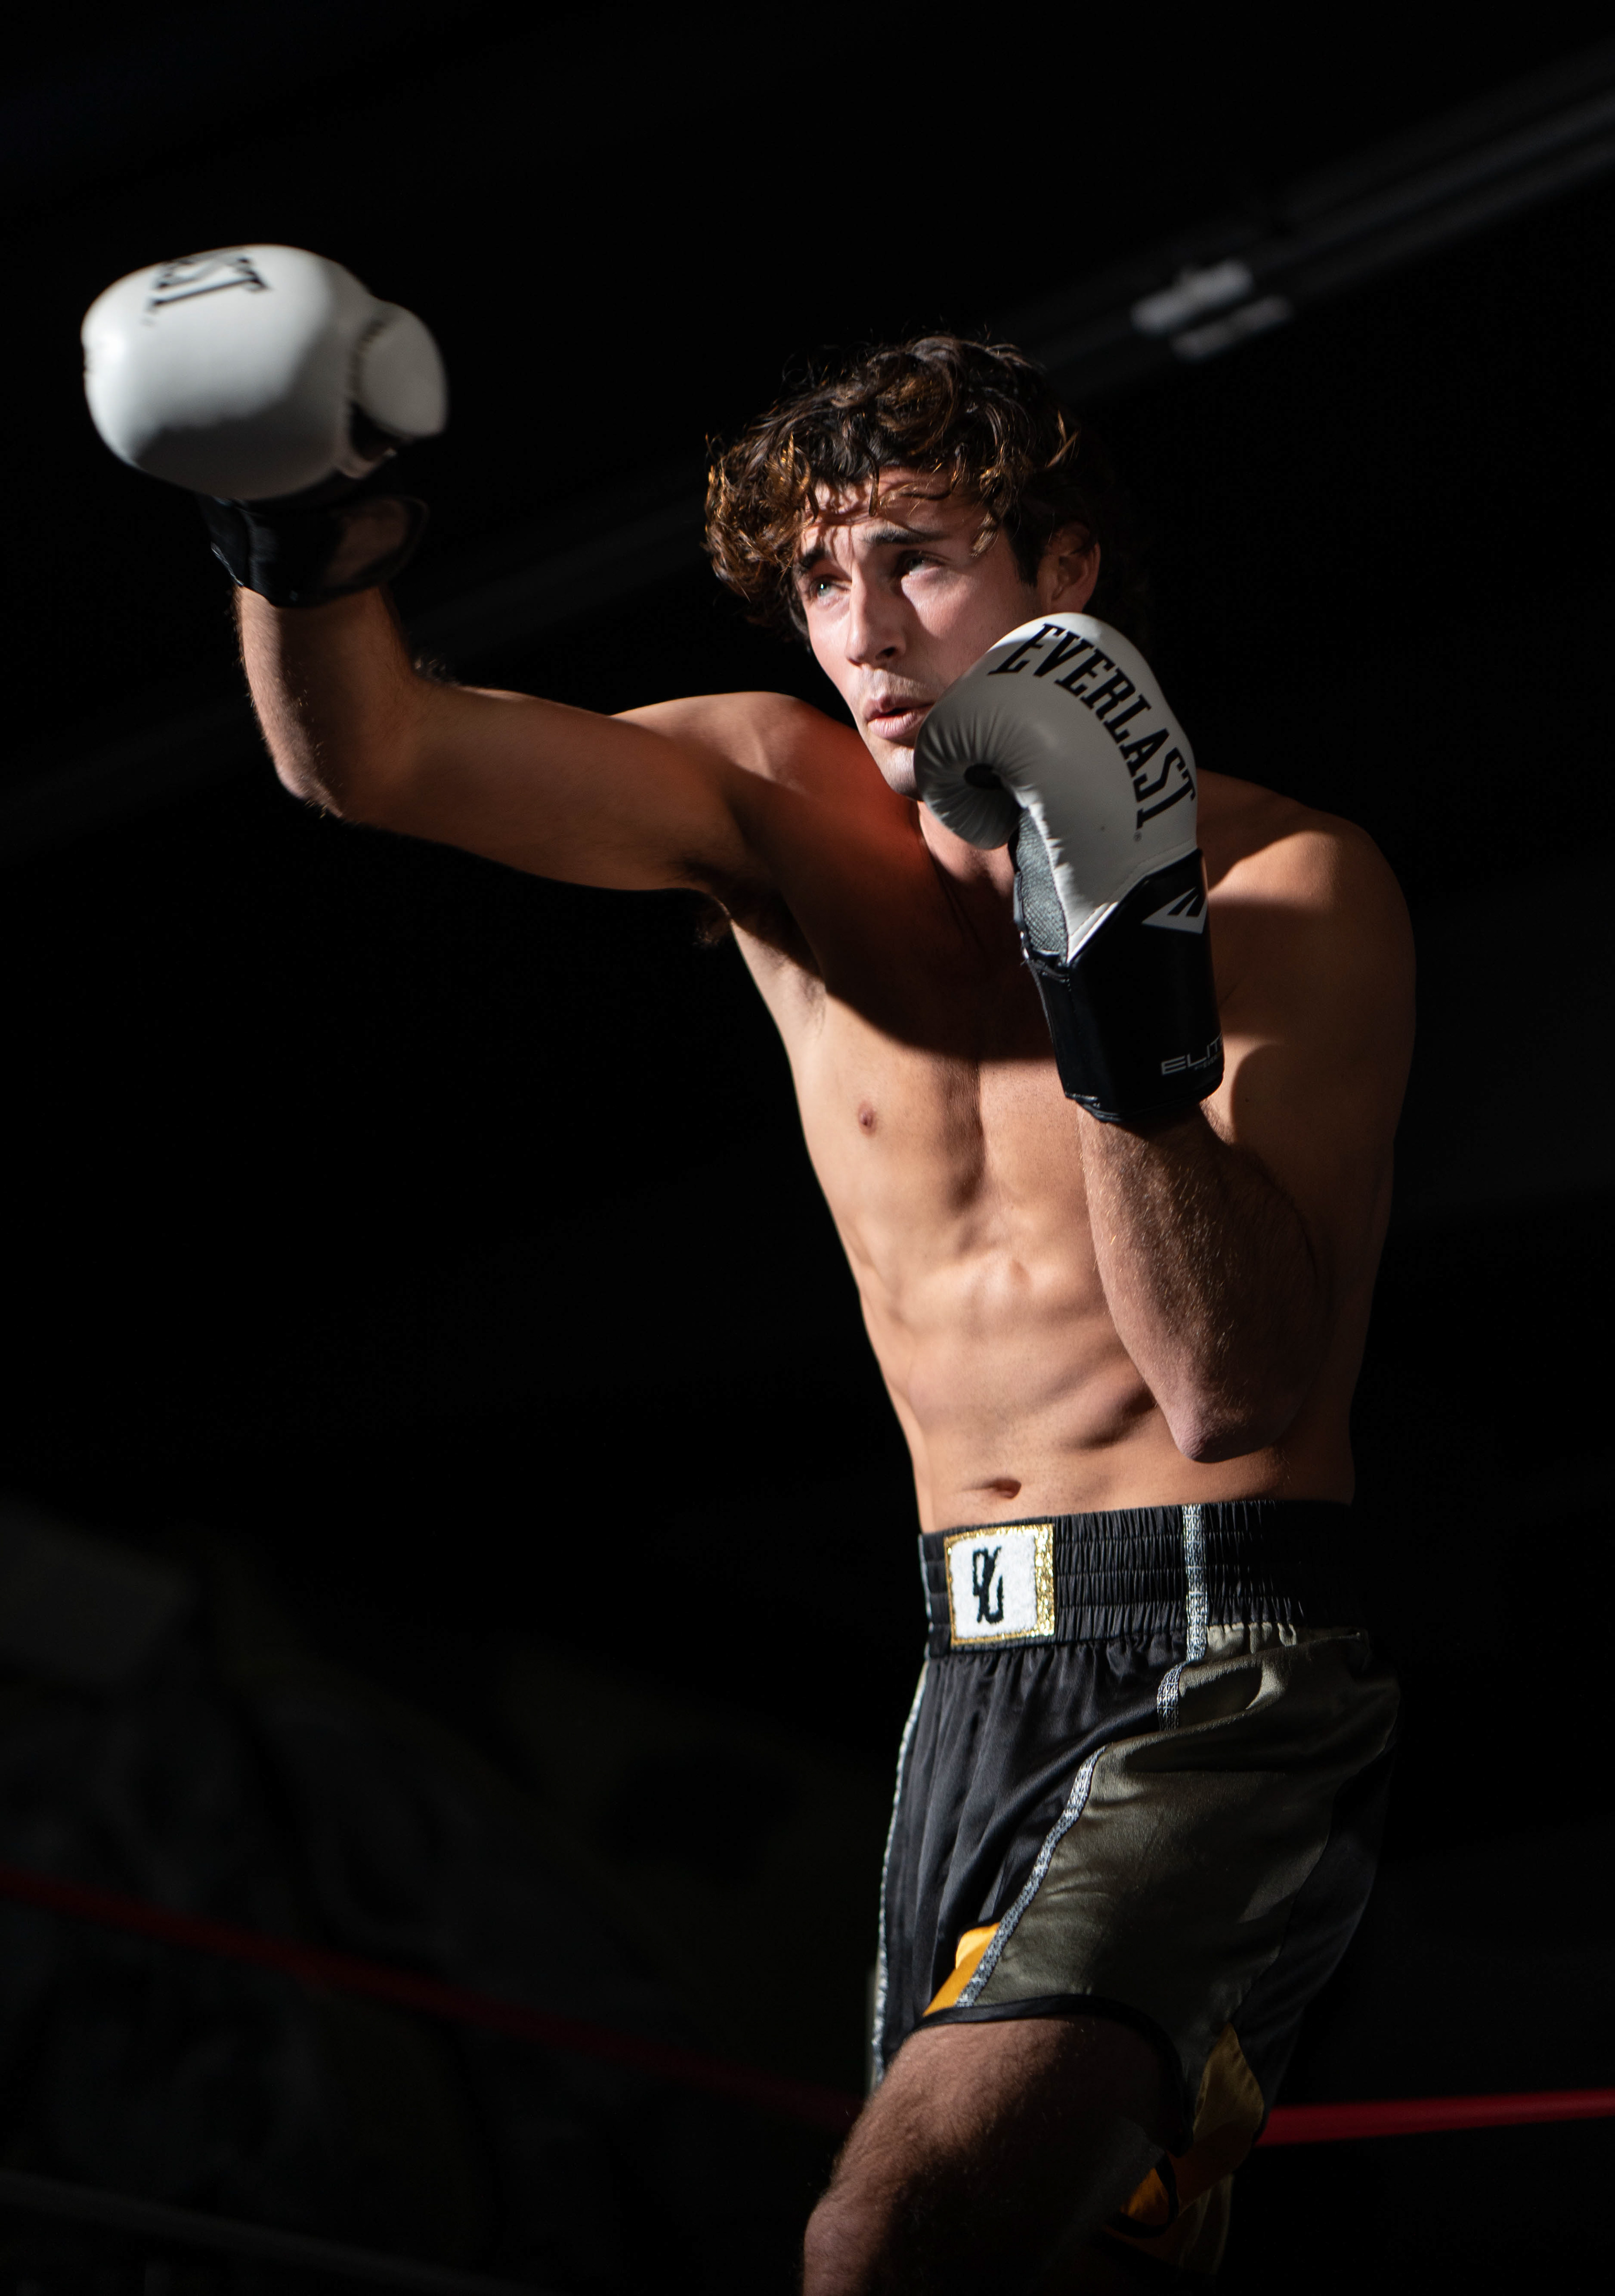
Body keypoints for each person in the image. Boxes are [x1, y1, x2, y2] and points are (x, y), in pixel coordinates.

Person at [84, 248, 1414, 2292]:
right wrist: (294, 538)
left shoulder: (1291, 880)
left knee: (885, 2237)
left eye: (920, 560)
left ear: (1066, 564)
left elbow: (1231, 1388)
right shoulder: (783, 817)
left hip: (1214, 1665)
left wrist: (1112, 992)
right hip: (964, 1674)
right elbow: (375, 760)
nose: (865, 635)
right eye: (817, 583)